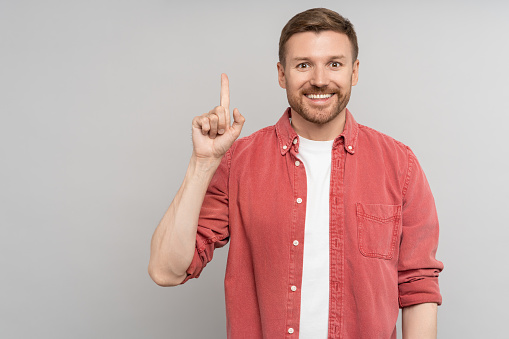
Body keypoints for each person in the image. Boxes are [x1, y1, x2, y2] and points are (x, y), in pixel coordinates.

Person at [148, 7, 443, 339]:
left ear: (354, 71)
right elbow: (166, 270)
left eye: (335, 63)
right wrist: (202, 164)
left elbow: (418, 285)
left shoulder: (399, 165)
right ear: (281, 74)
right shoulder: (239, 162)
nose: (319, 79)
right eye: (303, 65)